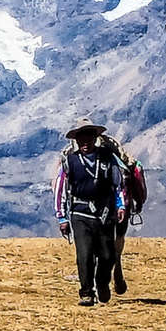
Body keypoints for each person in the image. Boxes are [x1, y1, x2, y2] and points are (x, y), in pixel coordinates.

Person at [54, 120, 129, 306]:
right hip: (80, 214)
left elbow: (118, 184)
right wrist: (62, 217)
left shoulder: (107, 158)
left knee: (107, 255)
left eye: (89, 136)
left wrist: (120, 206)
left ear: (95, 138)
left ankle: (102, 282)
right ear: (77, 140)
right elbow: (61, 190)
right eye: (81, 137)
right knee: (84, 254)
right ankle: (86, 293)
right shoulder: (70, 162)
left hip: (104, 214)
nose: (85, 141)